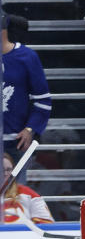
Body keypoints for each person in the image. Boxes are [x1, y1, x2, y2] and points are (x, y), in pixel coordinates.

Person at [1, 12, 51, 156]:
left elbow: (43, 99)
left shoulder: (27, 57)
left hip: (15, 143)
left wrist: (30, 129)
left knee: (17, 180)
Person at [2, 152, 53, 224]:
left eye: (8, 169)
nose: (5, 173)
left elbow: (46, 224)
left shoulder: (27, 194)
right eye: (1, 169)